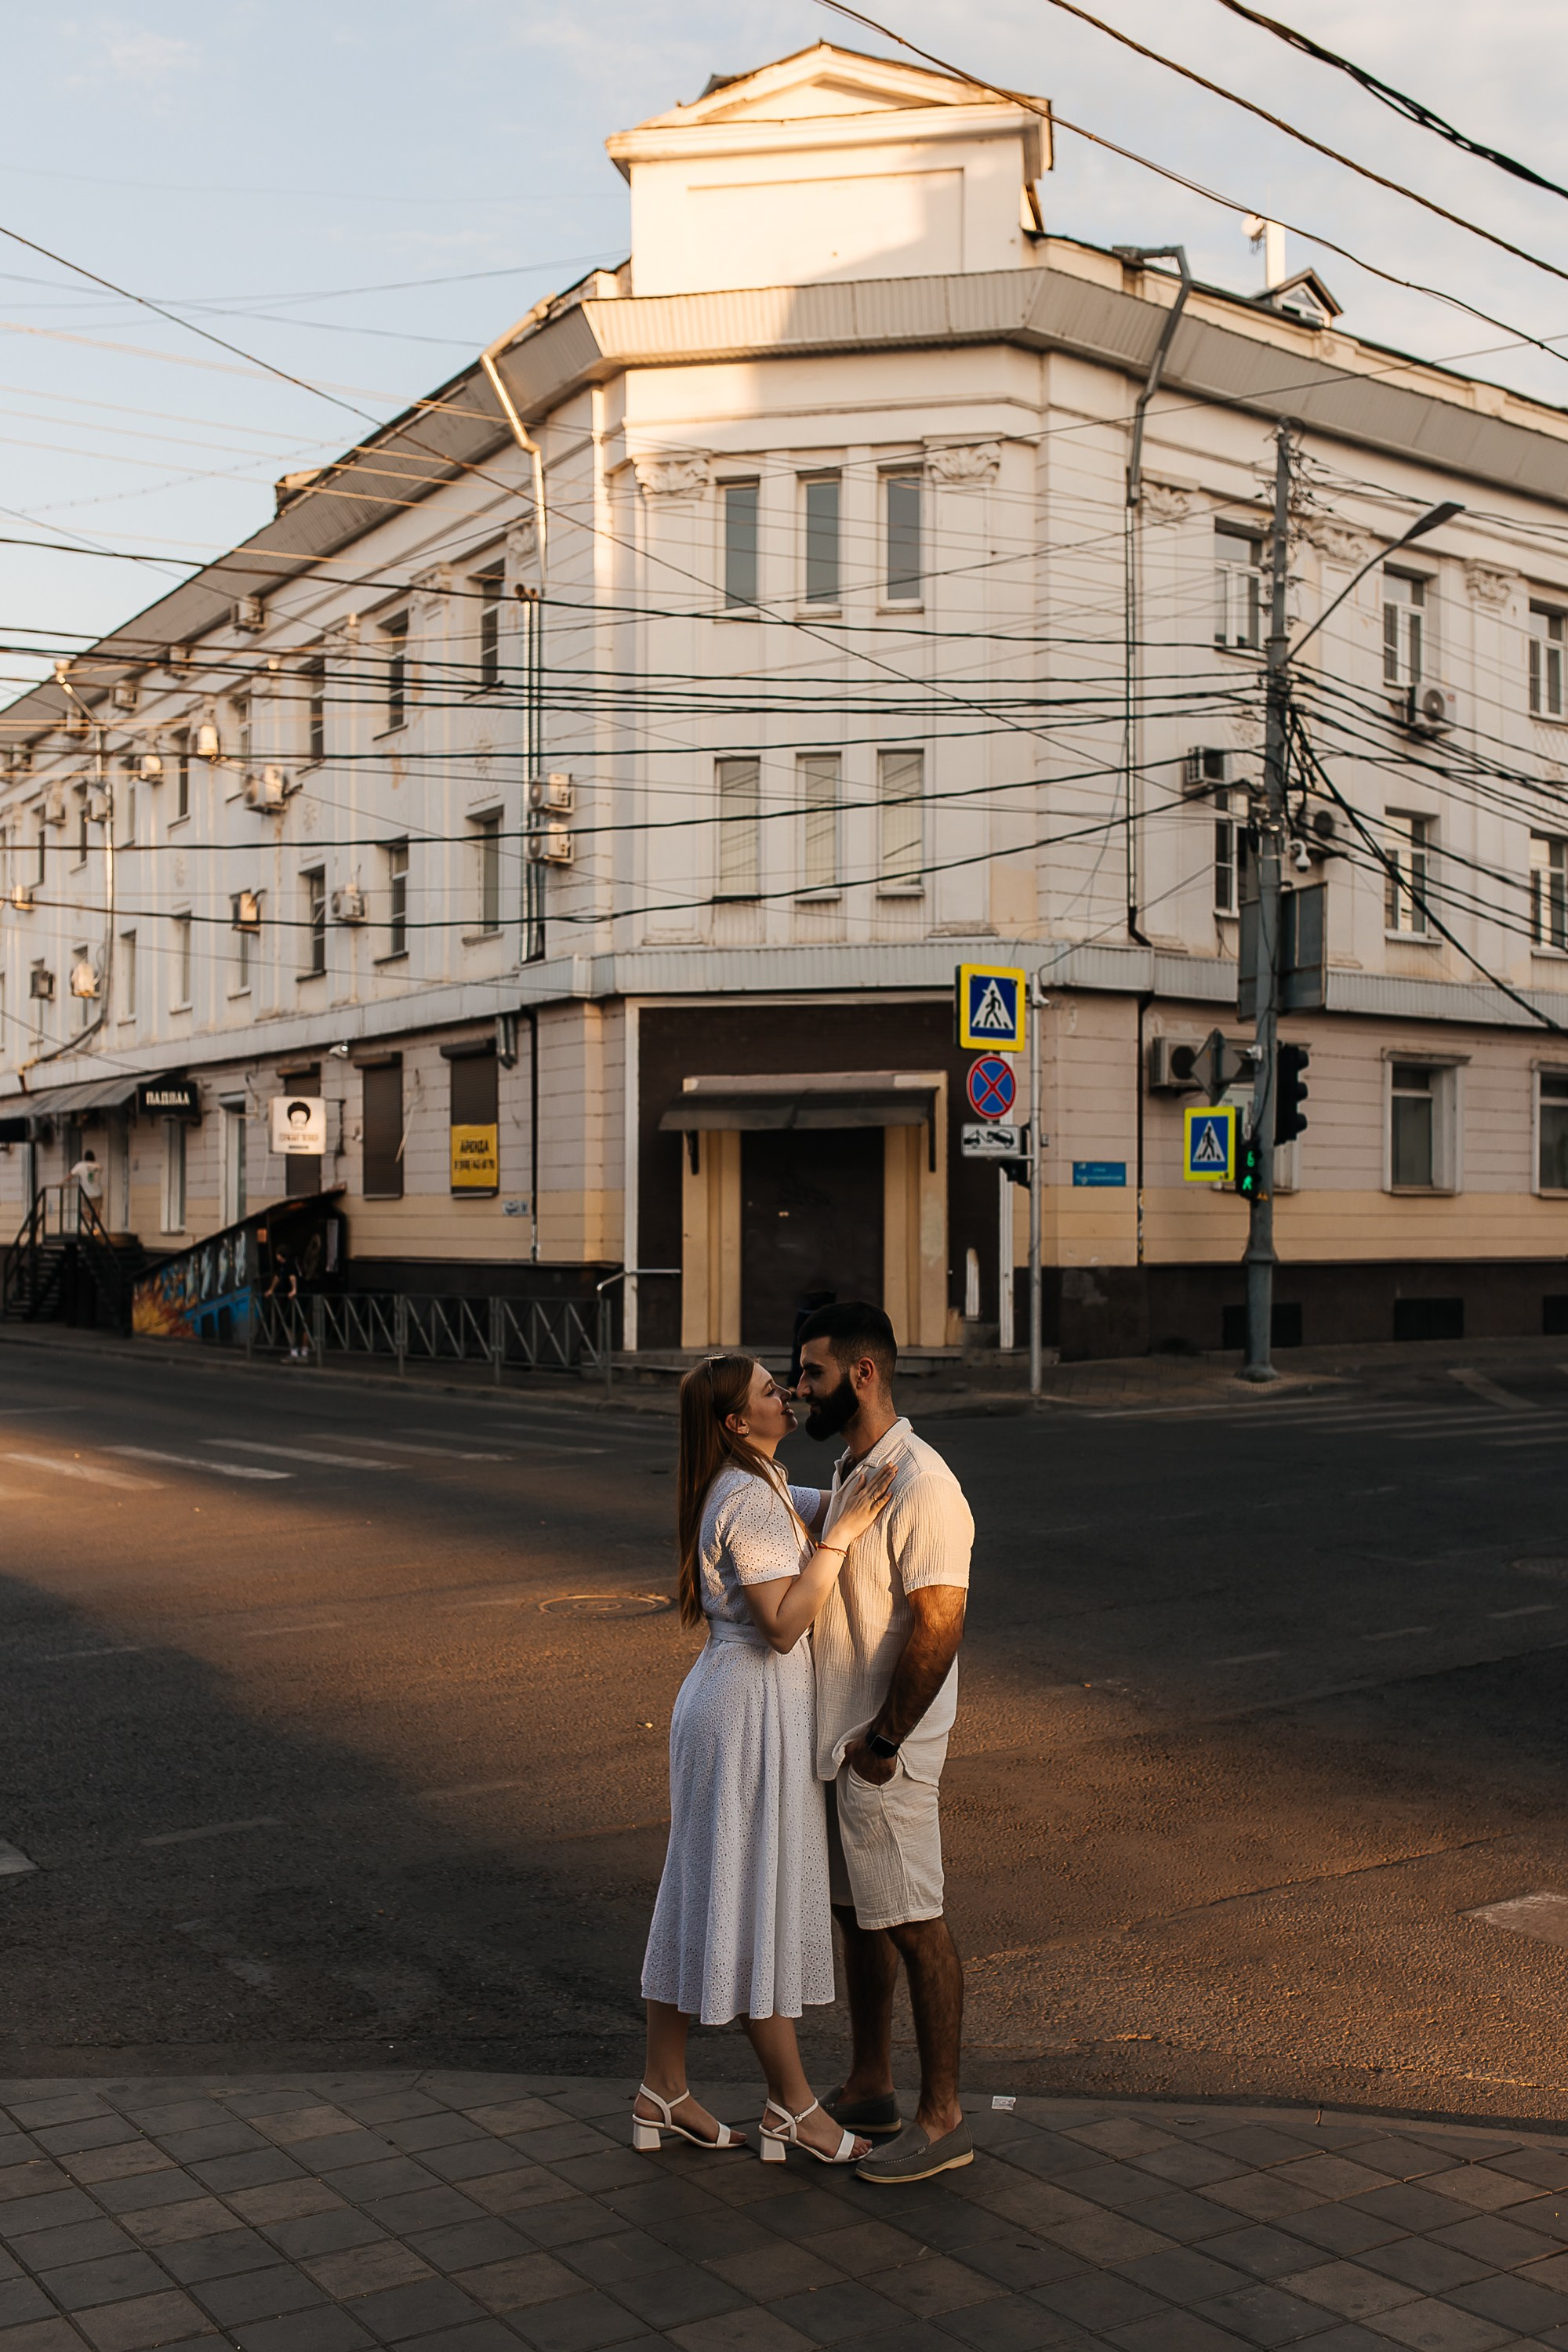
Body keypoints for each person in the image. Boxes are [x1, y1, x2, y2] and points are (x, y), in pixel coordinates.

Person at [637, 1353, 895, 2164]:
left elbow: (843, 1494)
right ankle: (792, 2107)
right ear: (733, 1423)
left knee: (704, 1888)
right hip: (743, 1709)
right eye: (766, 1391)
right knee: (749, 1895)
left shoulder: (764, 1482)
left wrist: (867, 1471)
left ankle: (662, 2089)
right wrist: (842, 1539)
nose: (783, 1395)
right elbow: (783, 1623)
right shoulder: (746, 1497)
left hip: (746, 1706)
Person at [793, 1300, 975, 2185]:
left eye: (812, 1373)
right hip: (843, 1744)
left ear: (862, 1375)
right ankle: (870, 2084)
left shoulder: (922, 1484)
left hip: (885, 1751)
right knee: (858, 1916)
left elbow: (937, 1626)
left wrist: (885, 1742)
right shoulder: (854, 1465)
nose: (800, 1389)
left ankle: (941, 2119)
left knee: (913, 1923)